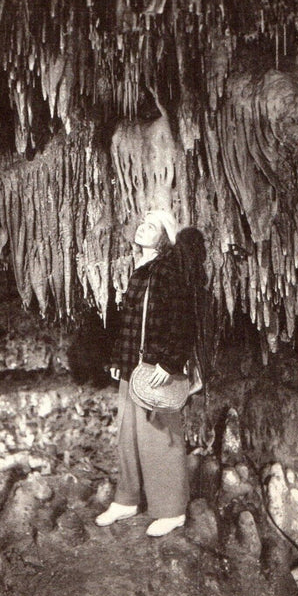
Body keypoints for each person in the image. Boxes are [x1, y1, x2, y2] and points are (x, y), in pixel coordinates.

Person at [95, 209, 194, 537]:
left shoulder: (168, 271)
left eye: (151, 226)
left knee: (160, 439)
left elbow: (182, 318)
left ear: (164, 239)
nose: (142, 228)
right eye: (142, 223)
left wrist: (169, 362)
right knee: (128, 436)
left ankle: (172, 509)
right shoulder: (140, 270)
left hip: (155, 369)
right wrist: (116, 359)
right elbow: (130, 323)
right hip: (132, 368)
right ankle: (127, 498)